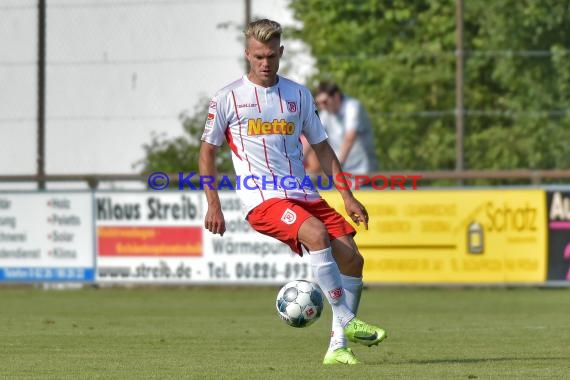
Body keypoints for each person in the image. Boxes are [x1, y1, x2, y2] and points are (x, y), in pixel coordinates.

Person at [199, 18, 387, 365]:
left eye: (271, 55)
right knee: (315, 234)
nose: (265, 63)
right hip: (263, 199)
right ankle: (347, 318)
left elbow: (323, 148)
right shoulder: (228, 98)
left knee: (352, 258)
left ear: (280, 52)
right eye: (258, 56)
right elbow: (207, 151)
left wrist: (347, 196)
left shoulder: (297, 94)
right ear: (247, 55)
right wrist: (214, 204)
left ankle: (338, 347)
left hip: (304, 193)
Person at [314, 81, 378, 175]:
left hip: (363, 171)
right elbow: (313, 137)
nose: (322, 107)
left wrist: (335, 168)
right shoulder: (326, 113)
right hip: (342, 173)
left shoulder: (353, 107)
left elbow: (349, 137)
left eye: (325, 102)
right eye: (318, 103)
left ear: (336, 96)